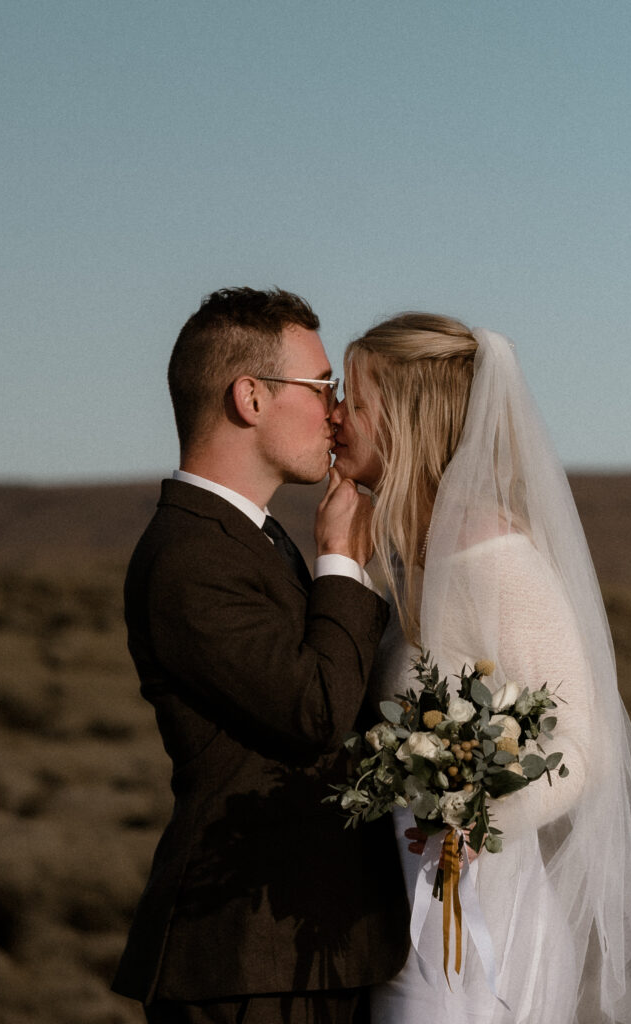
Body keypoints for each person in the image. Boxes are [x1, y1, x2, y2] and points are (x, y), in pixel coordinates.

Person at [330, 312, 631, 1024]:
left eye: (354, 399)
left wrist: (480, 818)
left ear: (406, 419)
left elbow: (579, 742)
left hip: (481, 937)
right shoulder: (410, 556)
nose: (335, 416)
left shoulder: (493, 557)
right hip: (408, 928)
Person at [112, 288, 410, 1024]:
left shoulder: (251, 537)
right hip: (244, 958)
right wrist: (340, 557)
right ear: (249, 397)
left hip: (296, 943)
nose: (335, 411)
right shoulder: (191, 555)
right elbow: (314, 710)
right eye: (321, 388)